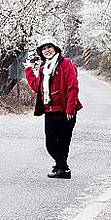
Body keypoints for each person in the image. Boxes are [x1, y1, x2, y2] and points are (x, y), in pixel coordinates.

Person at [24, 36, 82, 179]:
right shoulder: (44, 68)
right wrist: (29, 71)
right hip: (50, 110)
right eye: (44, 48)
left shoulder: (65, 63)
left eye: (49, 47)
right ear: (41, 52)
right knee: (50, 143)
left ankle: (62, 169)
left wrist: (70, 108)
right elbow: (37, 87)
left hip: (65, 110)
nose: (47, 50)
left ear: (55, 48)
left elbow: (72, 86)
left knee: (63, 142)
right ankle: (62, 167)